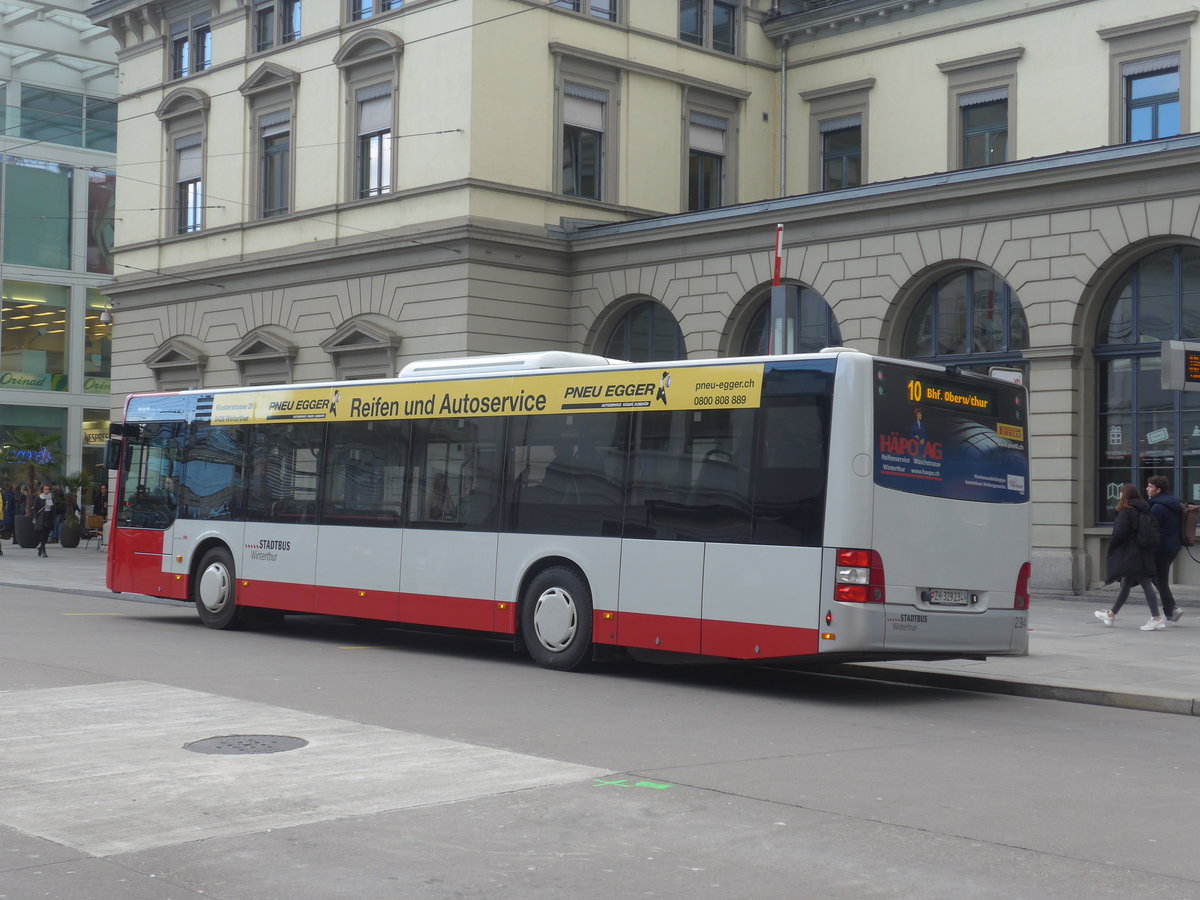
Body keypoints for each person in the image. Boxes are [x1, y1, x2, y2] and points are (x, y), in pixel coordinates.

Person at [1096, 482, 1166, 631]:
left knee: (1146, 583)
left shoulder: (1126, 510)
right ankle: (1111, 614)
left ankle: (1156, 618)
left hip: (1130, 553)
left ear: (1125, 495)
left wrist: (1113, 545)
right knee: (1126, 583)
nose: (1120, 495)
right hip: (1142, 551)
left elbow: (1120, 532)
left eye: (1121, 492)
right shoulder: (1144, 508)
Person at [1147, 475, 1185, 625]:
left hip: (1161, 548)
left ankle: (1171, 611)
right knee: (1158, 578)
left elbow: (1153, 530)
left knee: (1159, 579)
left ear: (1158, 490)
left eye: (1150, 487)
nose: (1147, 489)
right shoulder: (1173, 503)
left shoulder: (1157, 507)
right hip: (1173, 546)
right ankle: (1171, 610)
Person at [32, 483, 55, 558]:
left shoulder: (51, 498)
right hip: (41, 518)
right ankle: (43, 550)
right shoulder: (39, 498)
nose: (47, 490)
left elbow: (53, 509)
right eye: (45, 489)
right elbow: (35, 509)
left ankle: (40, 547)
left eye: (48, 489)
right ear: (42, 490)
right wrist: (36, 517)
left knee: (46, 535)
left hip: (49, 518)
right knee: (42, 534)